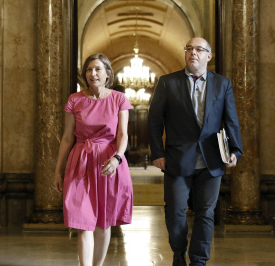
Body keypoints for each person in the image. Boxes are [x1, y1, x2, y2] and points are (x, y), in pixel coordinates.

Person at [148, 37, 243, 266]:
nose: (193, 53)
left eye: (199, 49)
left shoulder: (223, 84)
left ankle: (199, 260)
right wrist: (158, 153)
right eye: (189, 48)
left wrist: (235, 151)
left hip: (212, 160)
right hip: (177, 160)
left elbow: (231, 120)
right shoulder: (167, 82)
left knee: (205, 213)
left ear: (208, 56)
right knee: (175, 211)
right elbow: (154, 121)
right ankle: (179, 254)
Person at [53, 53, 133, 266]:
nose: (93, 73)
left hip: (109, 163)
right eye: (89, 69)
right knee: (82, 222)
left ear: (108, 73)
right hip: (80, 162)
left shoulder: (119, 99)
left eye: (98, 69)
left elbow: (123, 135)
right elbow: (67, 137)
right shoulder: (74, 99)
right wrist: (57, 170)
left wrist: (117, 158)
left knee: (103, 223)